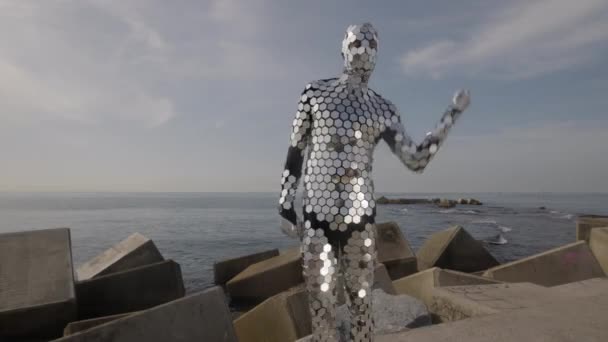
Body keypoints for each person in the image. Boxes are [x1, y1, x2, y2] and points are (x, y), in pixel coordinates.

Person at [278, 23, 471, 342]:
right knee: (322, 308)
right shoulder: (314, 94)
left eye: (370, 45)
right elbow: (296, 148)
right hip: (316, 219)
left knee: (361, 307)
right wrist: (286, 205)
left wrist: (450, 115)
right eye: (355, 43)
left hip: (360, 221)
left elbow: (415, 160)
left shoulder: (383, 110)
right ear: (343, 48)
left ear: (377, 56)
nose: (362, 50)